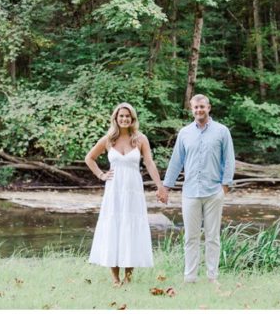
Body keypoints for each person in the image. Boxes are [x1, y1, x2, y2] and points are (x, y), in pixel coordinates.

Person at [84, 102, 168, 286]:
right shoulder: (108, 140)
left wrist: (160, 186)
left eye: (127, 116)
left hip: (133, 190)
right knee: (114, 228)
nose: (124, 119)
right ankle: (115, 278)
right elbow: (89, 158)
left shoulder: (140, 139)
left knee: (131, 229)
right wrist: (101, 174)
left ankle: (128, 278)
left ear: (132, 119)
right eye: (121, 116)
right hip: (114, 190)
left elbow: (149, 163)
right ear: (116, 118)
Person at [158, 94, 235, 283]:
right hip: (190, 192)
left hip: (214, 191)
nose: (199, 110)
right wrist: (166, 186)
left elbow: (229, 159)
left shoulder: (222, 131)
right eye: (196, 107)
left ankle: (212, 277)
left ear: (209, 108)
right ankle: (190, 277)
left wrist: (225, 185)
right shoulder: (184, 133)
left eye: (202, 107)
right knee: (191, 237)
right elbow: (176, 161)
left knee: (212, 237)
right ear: (191, 110)